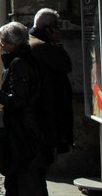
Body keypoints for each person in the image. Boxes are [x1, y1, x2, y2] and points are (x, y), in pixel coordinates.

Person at [0, 21, 49, 196]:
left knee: (25, 181)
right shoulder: (27, 59)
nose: (0, 45)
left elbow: (17, 100)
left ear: (12, 43)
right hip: (28, 130)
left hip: (24, 132)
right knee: (21, 181)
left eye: (2, 42)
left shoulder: (19, 63)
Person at [29, 8, 74, 156]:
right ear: (49, 29)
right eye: (57, 27)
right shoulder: (42, 46)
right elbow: (65, 65)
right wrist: (58, 43)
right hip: (47, 108)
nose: (59, 31)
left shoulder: (32, 41)